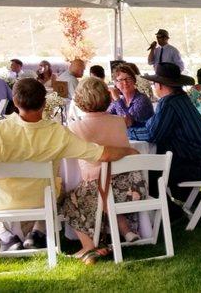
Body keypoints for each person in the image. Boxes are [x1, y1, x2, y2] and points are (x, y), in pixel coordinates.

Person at [0, 78, 138, 251]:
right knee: (62, 191)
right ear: (45, 103)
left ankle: (4, 235)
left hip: (2, 200)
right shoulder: (57, 132)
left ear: (15, 101)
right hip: (43, 199)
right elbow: (101, 153)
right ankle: (37, 231)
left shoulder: (1, 130)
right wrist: (128, 151)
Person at [62, 77, 146, 263]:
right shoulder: (119, 122)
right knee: (107, 191)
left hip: (99, 190)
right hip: (131, 188)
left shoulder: (75, 127)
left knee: (70, 200)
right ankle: (124, 230)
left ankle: (88, 246)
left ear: (80, 100)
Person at [128, 63, 201, 207]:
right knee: (157, 170)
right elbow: (153, 126)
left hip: (196, 165)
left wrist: (127, 131)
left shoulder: (169, 103)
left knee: (149, 173)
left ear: (160, 85)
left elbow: (153, 134)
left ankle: (172, 213)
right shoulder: (181, 99)